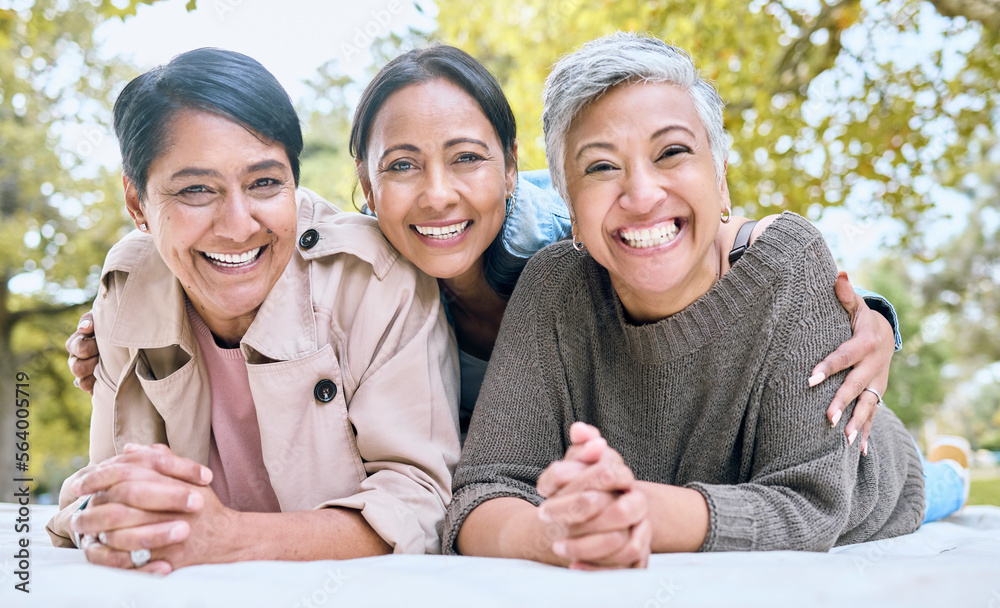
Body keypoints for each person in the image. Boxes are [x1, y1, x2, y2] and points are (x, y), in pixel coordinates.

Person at [70, 45, 899, 449]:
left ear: (512, 169)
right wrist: (133, 307)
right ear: (363, 187)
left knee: (908, 483)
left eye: (467, 158)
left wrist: (877, 320)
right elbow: (248, 216)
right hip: (527, 487)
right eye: (401, 167)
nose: (436, 195)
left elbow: (713, 237)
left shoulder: (565, 233)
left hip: (687, 449)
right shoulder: (360, 262)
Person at [443, 33, 934, 569]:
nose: (642, 194)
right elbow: (482, 492)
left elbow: (813, 504)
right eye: (601, 167)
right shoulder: (553, 290)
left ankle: (947, 469)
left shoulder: (788, 261)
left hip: (874, 482)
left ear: (721, 181)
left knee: (938, 484)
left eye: (672, 152)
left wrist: (642, 511)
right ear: (571, 211)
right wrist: (553, 533)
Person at [46, 48, 460, 573]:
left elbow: (421, 504)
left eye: (265, 182)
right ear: (136, 204)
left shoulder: (371, 276)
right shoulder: (129, 286)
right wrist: (102, 511)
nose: (238, 225)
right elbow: (106, 482)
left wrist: (230, 538)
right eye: (196, 189)